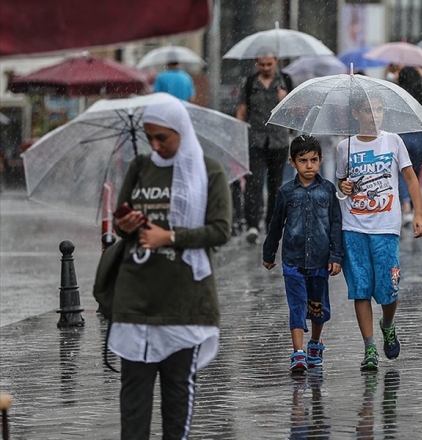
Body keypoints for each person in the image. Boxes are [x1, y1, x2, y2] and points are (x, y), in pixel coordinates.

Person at [108, 96, 232, 439]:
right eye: (150, 137)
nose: (155, 145)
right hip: (135, 298)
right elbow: (119, 222)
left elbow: (221, 230)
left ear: (181, 131)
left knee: (177, 396)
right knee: (133, 398)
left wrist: (170, 237)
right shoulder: (139, 167)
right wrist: (127, 224)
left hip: (184, 300)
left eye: (163, 137)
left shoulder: (209, 171)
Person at [336, 93, 422, 371]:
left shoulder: (393, 141)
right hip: (353, 227)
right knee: (360, 289)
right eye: (367, 109)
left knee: (389, 287)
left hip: (386, 227)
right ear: (355, 114)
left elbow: (410, 178)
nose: (373, 115)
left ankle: (388, 324)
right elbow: (340, 182)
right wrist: (345, 187)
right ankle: (369, 348)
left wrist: (419, 215)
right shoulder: (344, 147)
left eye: (377, 109)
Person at [262, 135, 344, 373]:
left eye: (314, 160)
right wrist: (269, 253)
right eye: (303, 160)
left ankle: (315, 343)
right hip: (293, 261)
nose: (309, 166)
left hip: (320, 261)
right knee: (297, 306)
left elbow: (335, 225)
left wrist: (335, 257)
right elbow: (276, 224)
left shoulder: (328, 191)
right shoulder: (286, 192)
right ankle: (297, 353)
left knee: (318, 308)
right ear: (292, 162)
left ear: (320, 160)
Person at [235, 51, 294, 245]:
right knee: (254, 182)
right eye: (262, 65)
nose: (266, 68)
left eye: (269, 64)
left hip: (279, 139)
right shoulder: (250, 82)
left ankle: (272, 224)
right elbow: (242, 110)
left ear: (276, 61)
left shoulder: (285, 80)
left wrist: (285, 99)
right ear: (256, 63)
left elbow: (297, 110)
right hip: (256, 139)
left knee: (276, 185)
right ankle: (252, 224)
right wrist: (237, 135)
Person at [395, 66, 422, 226]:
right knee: (414, 173)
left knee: (402, 173)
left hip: (402, 136)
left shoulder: (398, 94)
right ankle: (410, 204)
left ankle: (406, 208)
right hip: (418, 138)